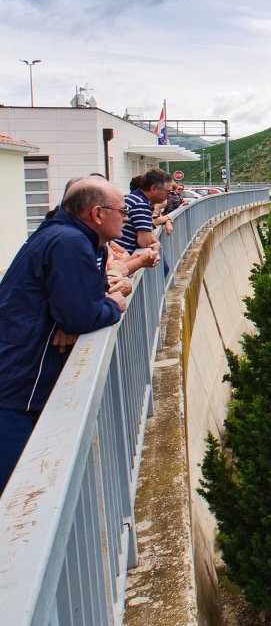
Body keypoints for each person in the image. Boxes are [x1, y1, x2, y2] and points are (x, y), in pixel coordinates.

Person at [0, 177, 129, 492]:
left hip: (15, 376)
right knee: (17, 489)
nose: (126, 216)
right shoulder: (70, 242)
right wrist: (114, 304)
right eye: (122, 210)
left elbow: (77, 305)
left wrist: (85, 311)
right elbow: (81, 315)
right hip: (19, 387)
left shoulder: (65, 235)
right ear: (98, 214)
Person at [116, 168, 173, 253]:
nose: (169, 195)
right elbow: (144, 242)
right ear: (154, 189)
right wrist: (157, 243)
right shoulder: (141, 204)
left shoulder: (134, 197)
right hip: (125, 257)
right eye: (168, 192)